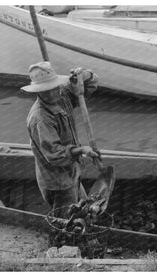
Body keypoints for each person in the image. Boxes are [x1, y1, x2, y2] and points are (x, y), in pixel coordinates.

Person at [22, 61, 99, 217]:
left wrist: (82, 76)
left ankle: (81, 233)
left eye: (53, 88)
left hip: (71, 172)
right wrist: (82, 150)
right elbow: (55, 155)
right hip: (58, 181)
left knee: (83, 211)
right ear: (37, 91)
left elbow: (90, 84)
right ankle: (61, 241)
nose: (51, 94)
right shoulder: (41, 118)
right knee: (66, 222)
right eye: (45, 91)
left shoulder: (61, 95)